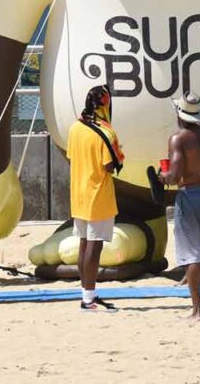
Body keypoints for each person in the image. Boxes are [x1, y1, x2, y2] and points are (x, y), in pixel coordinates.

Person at [159, 92, 200, 321]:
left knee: (192, 255)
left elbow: (175, 175)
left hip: (190, 195)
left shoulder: (178, 139)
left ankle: (196, 310)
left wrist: (162, 176)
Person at [69, 85, 125, 312]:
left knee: (83, 245)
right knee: (94, 246)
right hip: (98, 194)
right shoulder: (106, 132)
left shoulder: (75, 127)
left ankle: (87, 293)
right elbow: (111, 165)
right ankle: (88, 299)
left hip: (79, 194)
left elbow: (73, 155)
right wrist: (120, 151)